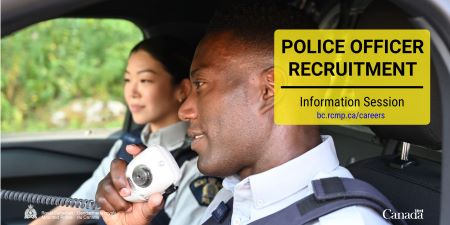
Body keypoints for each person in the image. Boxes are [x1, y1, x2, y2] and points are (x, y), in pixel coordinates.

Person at [95, 1, 394, 225]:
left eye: (200, 84)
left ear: (270, 88)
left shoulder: (344, 221)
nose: (184, 110)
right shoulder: (234, 197)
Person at [30, 36, 222, 225]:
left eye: (145, 80)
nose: (132, 92)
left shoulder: (194, 165)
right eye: (127, 79)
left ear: (182, 89)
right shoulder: (126, 147)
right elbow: (71, 211)